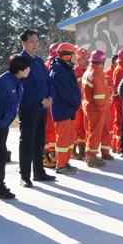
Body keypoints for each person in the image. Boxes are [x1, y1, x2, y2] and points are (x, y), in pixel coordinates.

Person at [0, 53, 31, 199]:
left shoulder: (18, 81)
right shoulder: (3, 82)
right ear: (20, 69)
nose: (29, 70)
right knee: (0, 155)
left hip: (3, 122)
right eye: (27, 68)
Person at [16, 29, 56, 188]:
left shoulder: (39, 61)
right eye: (32, 41)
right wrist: (41, 99)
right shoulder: (19, 61)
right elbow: (24, 86)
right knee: (27, 141)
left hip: (43, 107)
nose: (35, 44)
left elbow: (49, 81)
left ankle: (39, 172)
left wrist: (50, 97)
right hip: (29, 107)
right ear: (23, 43)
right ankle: (24, 176)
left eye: (37, 41)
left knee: (40, 140)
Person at [49, 43, 82, 174]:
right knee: (63, 139)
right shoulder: (59, 71)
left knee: (68, 138)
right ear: (66, 56)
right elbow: (66, 92)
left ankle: (65, 162)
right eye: (73, 55)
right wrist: (76, 102)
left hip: (67, 109)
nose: (75, 58)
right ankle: (61, 165)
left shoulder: (64, 68)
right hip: (62, 110)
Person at [82, 50, 112, 167]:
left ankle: (97, 153)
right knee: (95, 132)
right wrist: (101, 106)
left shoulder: (89, 71)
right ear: (102, 62)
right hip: (97, 107)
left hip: (90, 105)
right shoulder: (96, 73)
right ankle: (91, 157)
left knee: (94, 131)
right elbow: (99, 94)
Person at [42, 43, 60, 169]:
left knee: (50, 130)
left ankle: (51, 156)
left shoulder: (47, 65)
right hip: (51, 103)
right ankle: (47, 156)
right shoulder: (52, 66)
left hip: (51, 102)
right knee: (49, 130)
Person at [72, 47, 89, 159]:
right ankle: (73, 151)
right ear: (78, 59)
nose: (87, 60)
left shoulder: (87, 71)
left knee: (84, 127)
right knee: (75, 127)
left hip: (85, 103)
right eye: (85, 58)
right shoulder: (74, 71)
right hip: (76, 104)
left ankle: (82, 151)